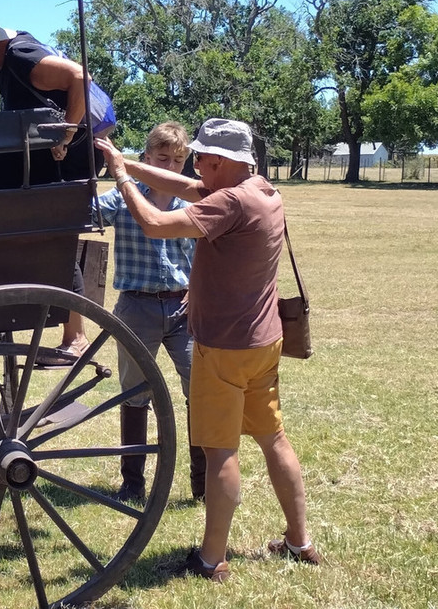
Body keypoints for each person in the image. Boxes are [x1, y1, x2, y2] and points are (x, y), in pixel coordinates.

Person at [95, 118, 321, 583]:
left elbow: (156, 223)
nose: (196, 167)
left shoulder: (230, 204)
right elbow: (185, 186)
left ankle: (210, 558)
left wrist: (121, 177)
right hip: (264, 342)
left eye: (202, 159)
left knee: (220, 453)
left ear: (221, 162)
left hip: (223, 349)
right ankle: (301, 541)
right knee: (274, 439)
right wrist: (128, 163)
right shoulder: (262, 191)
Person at [0, 2, 103, 356]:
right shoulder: (12, 57)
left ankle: (75, 336)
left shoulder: (21, 56)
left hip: (64, 162)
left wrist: (68, 134)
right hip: (50, 159)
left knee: (49, 238)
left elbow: (80, 77)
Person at [95, 122, 206, 503]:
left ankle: (202, 483)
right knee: (135, 392)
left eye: (178, 161)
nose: (171, 167)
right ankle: (133, 482)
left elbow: (208, 254)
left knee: (201, 392)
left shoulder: (191, 204)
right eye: (162, 158)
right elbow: (89, 211)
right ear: (145, 158)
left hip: (183, 307)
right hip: (136, 306)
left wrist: (199, 291)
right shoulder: (123, 196)